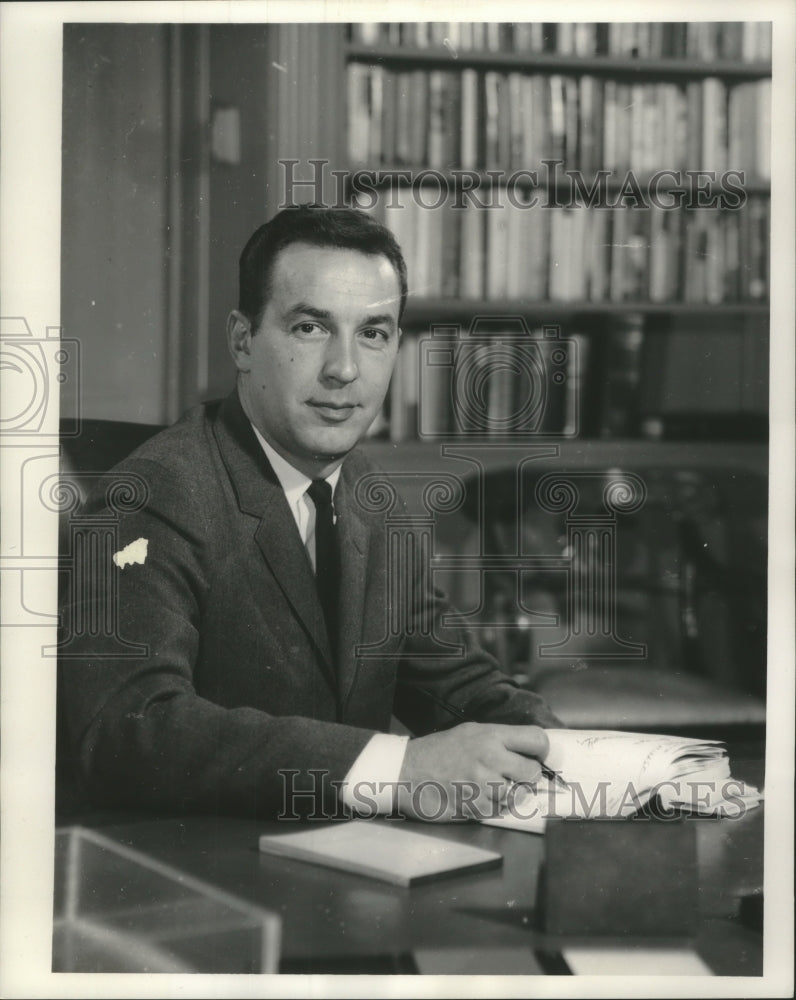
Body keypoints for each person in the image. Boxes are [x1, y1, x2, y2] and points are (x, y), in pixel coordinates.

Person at [58, 205, 560, 823]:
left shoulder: (366, 491)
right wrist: (399, 769)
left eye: (373, 333)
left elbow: (456, 684)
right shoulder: (158, 494)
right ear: (243, 341)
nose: (344, 368)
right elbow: (126, 731)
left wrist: (594, 762)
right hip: (203, 882)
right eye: (310, 328)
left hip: (340, 864)